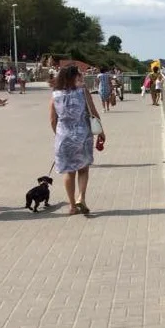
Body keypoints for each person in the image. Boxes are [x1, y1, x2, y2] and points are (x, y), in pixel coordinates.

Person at [50, 65, 104, 215]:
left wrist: (59, 134)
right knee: (83, 168)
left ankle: (72, 206)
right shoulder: (83, 92)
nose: (81, 77)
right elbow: (93, 112)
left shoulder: (55, 95)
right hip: (83, 136)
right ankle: (82, 197)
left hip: (63, 137)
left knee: (69, 171)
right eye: (79, 75)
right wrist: (101, 132)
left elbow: (53, 120)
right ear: (73, 76)